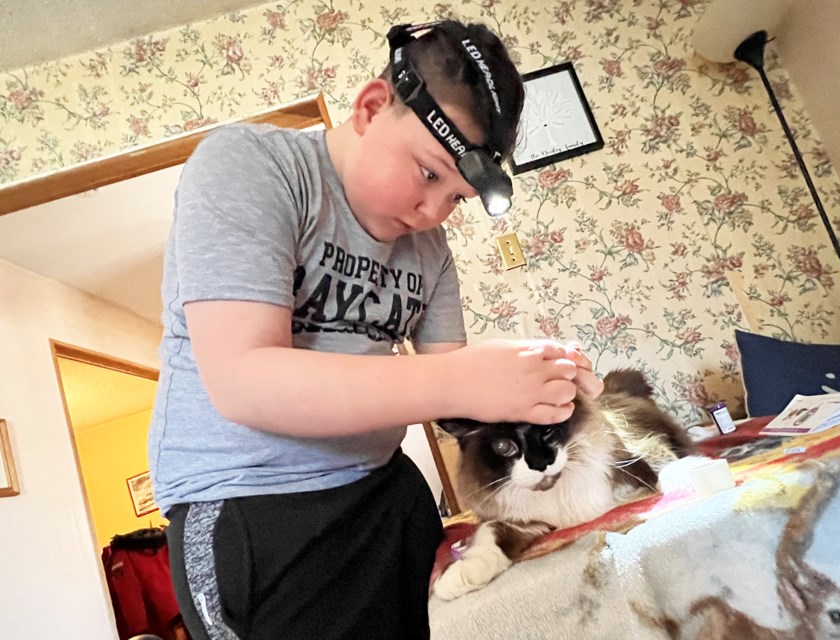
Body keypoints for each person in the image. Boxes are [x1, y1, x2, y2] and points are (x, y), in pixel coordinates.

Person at [148, 19, 602, 640]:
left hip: (387, 490)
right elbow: (243, 380)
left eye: (458, 198)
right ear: (370, 107)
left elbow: (457, 403)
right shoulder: (253, 165)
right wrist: (461, 377)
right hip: (251, 509)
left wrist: (537, 380)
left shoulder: (430, 247)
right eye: (428, 173)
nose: (434, 211)